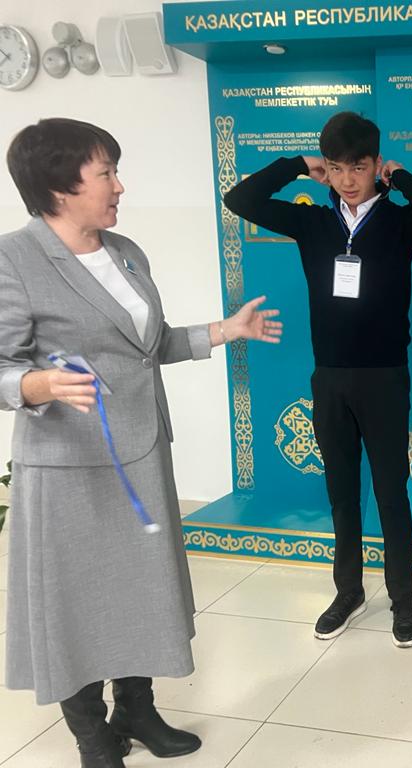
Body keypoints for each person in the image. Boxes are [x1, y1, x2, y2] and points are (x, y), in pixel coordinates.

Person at [0, 118, 282, 767]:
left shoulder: (125, 251)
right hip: (68, 468)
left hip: (142, 451)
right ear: (60, 187)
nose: (119, 186)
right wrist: (39, 384)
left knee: (140, 590)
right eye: (106, 173)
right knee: (76, 604)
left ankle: (137, 710)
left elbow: (146, 347)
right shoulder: (15, 259)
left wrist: (223, 331)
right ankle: (93, 737)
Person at [223, 111, 412, 647]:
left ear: (375, 165)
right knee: (341, 493)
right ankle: (348, 592)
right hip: (329, 378)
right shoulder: (312, 222)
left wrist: (401, 178)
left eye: (359, 167)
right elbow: (241, 200)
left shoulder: (398, 222)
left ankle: (403, 600)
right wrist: (297, 165)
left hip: (384, 379)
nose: (348, 179)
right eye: (337, 167)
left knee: (391, 494)